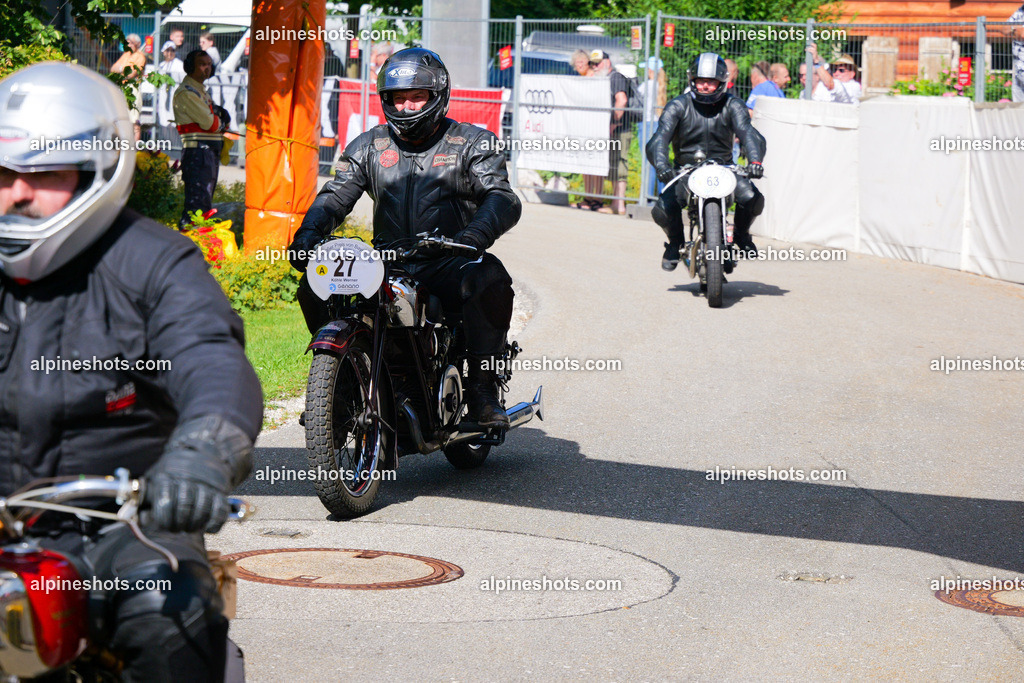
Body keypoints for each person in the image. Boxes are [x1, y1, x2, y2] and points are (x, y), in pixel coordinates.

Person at [0, 62, 261, 681]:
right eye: (3, 174)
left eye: (42, 174)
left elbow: (212, 360)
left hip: (118, 526)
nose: (16, 193)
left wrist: (203, 452)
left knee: (167, 612)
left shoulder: (155, 263)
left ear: (99, 169)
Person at [288, 48, 520, 429]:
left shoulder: (474, 143)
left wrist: (474, 236)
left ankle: (482, 390)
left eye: (417, 97)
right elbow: (334, 196)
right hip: (387, 263)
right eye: (399, 98)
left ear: (437, 96)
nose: (408, 106)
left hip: (449, 258)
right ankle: (342, 383)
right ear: (386, 101)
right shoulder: (369, 146)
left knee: (489, 279)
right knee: (314, 287)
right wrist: (308, 236)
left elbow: (501, 197)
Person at [646, 52, 766, 271]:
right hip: (685, 171)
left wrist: (755, 161)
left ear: (722, 82)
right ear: (692, 81)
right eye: (701, 81)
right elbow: (658, 140)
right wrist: (662, 166)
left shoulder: (733, 105)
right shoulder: (677, 106)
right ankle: (675, 243)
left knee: (752, 198)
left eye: (711, 82)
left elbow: (749, 134)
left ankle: (741, 234)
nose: (705, 86)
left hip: (726, 169)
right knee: (662, 209)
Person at [173, 50, 229, 230]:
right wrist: (221, 122)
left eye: (209, 64)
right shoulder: (187, 93)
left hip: (207, 152)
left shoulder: (199, 91)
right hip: (198, 152)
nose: (207, 68)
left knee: (204, 202)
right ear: (190, 67)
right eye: (202, 64)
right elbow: (210, 123)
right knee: (197, 205)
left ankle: (199, 241)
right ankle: (191, 241)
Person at [1007, 3, 1024, 102]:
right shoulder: (1021, 10)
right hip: (1019, 70)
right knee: (1018, 109)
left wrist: (1013, 29)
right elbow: (1004, 28)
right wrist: (1015, 29)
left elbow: (1022, 35)